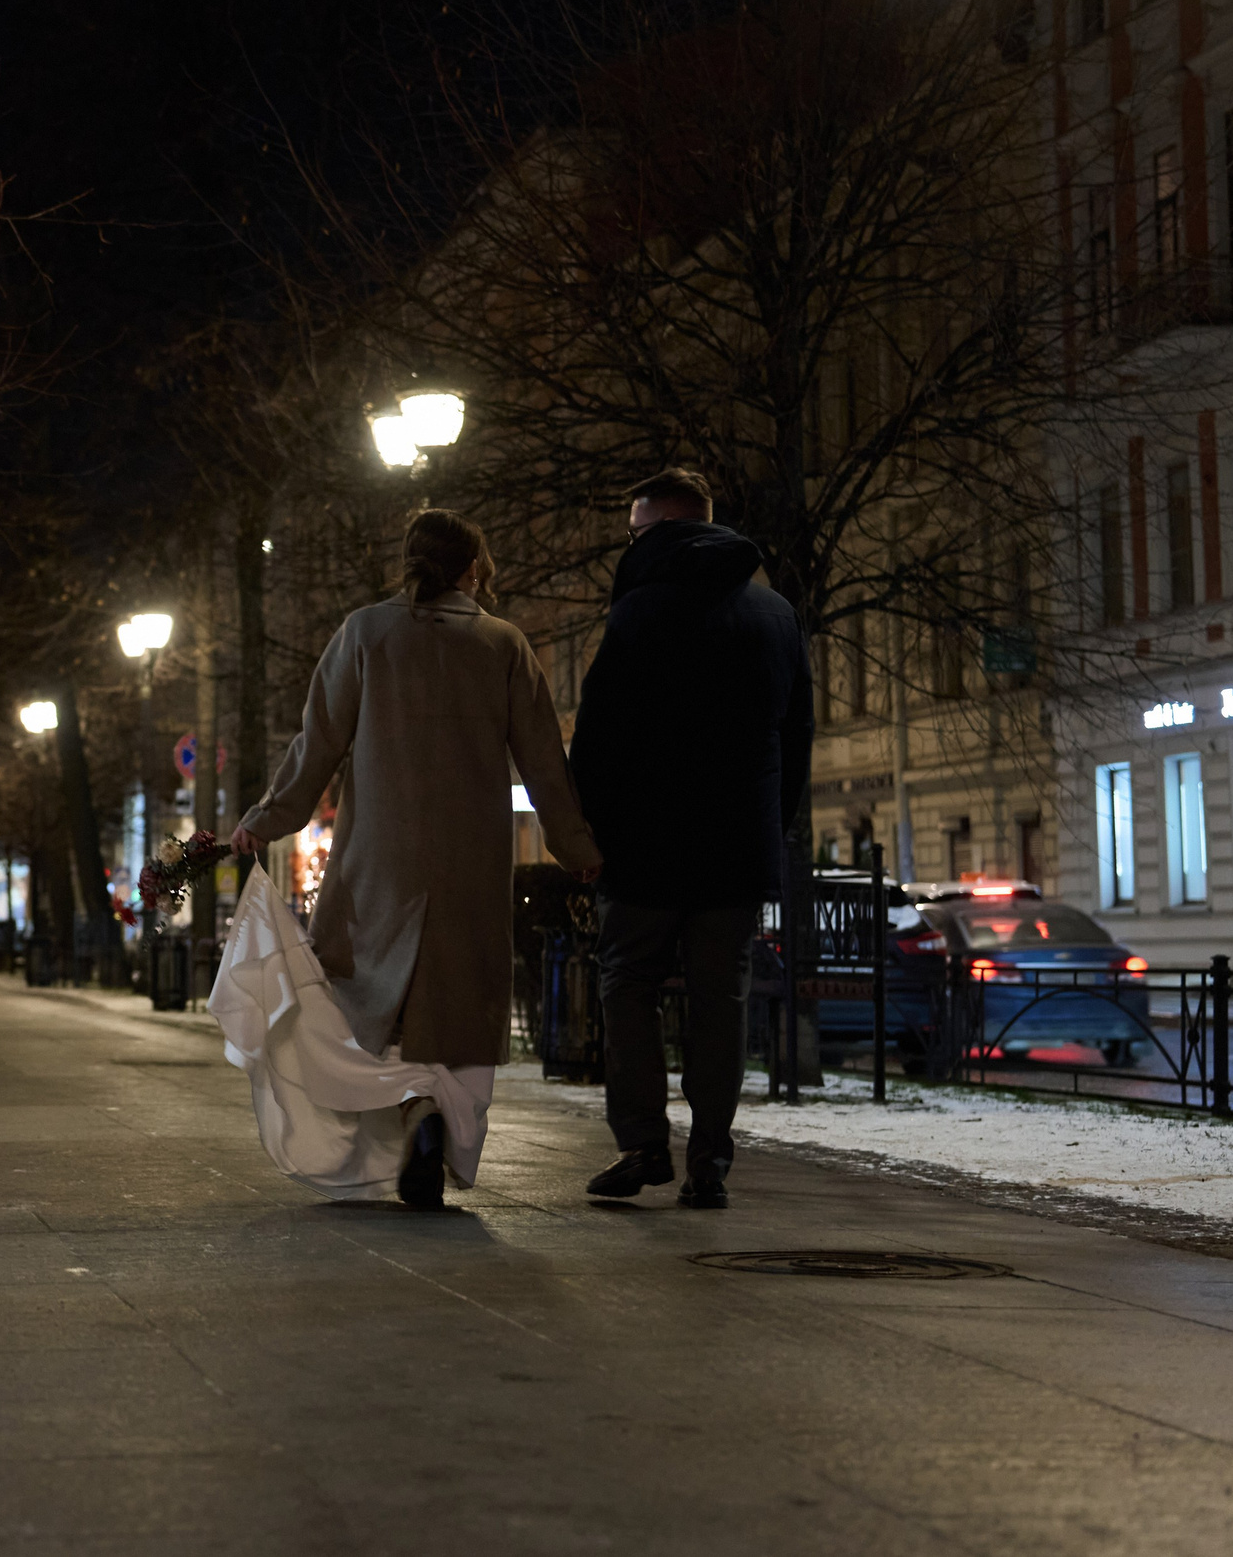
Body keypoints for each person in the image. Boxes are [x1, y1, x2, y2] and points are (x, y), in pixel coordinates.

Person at [232, 508, 601, 1208]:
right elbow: (545, 763)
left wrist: (267, 820)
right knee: (459, 1002)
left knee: (371, 997)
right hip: (470, 860)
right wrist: (575, 847)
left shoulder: (365, 633)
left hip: (379, 856)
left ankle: (407, 1106)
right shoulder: (504, 644)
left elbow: (317, 745)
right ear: (472, 568)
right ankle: (443, 1118)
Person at [569, 467, 812, 1211]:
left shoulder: (637, 613)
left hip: (644, 846)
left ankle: (643, 1143)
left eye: (636, 532)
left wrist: (588, 837)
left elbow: (598, 738)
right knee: (720, 997)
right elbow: (796, 735)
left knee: (628, 983)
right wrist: (772, 828)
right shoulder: (774, 613)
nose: (631, 544)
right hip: (736, 849)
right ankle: (710, 1157)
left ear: (661, 530)